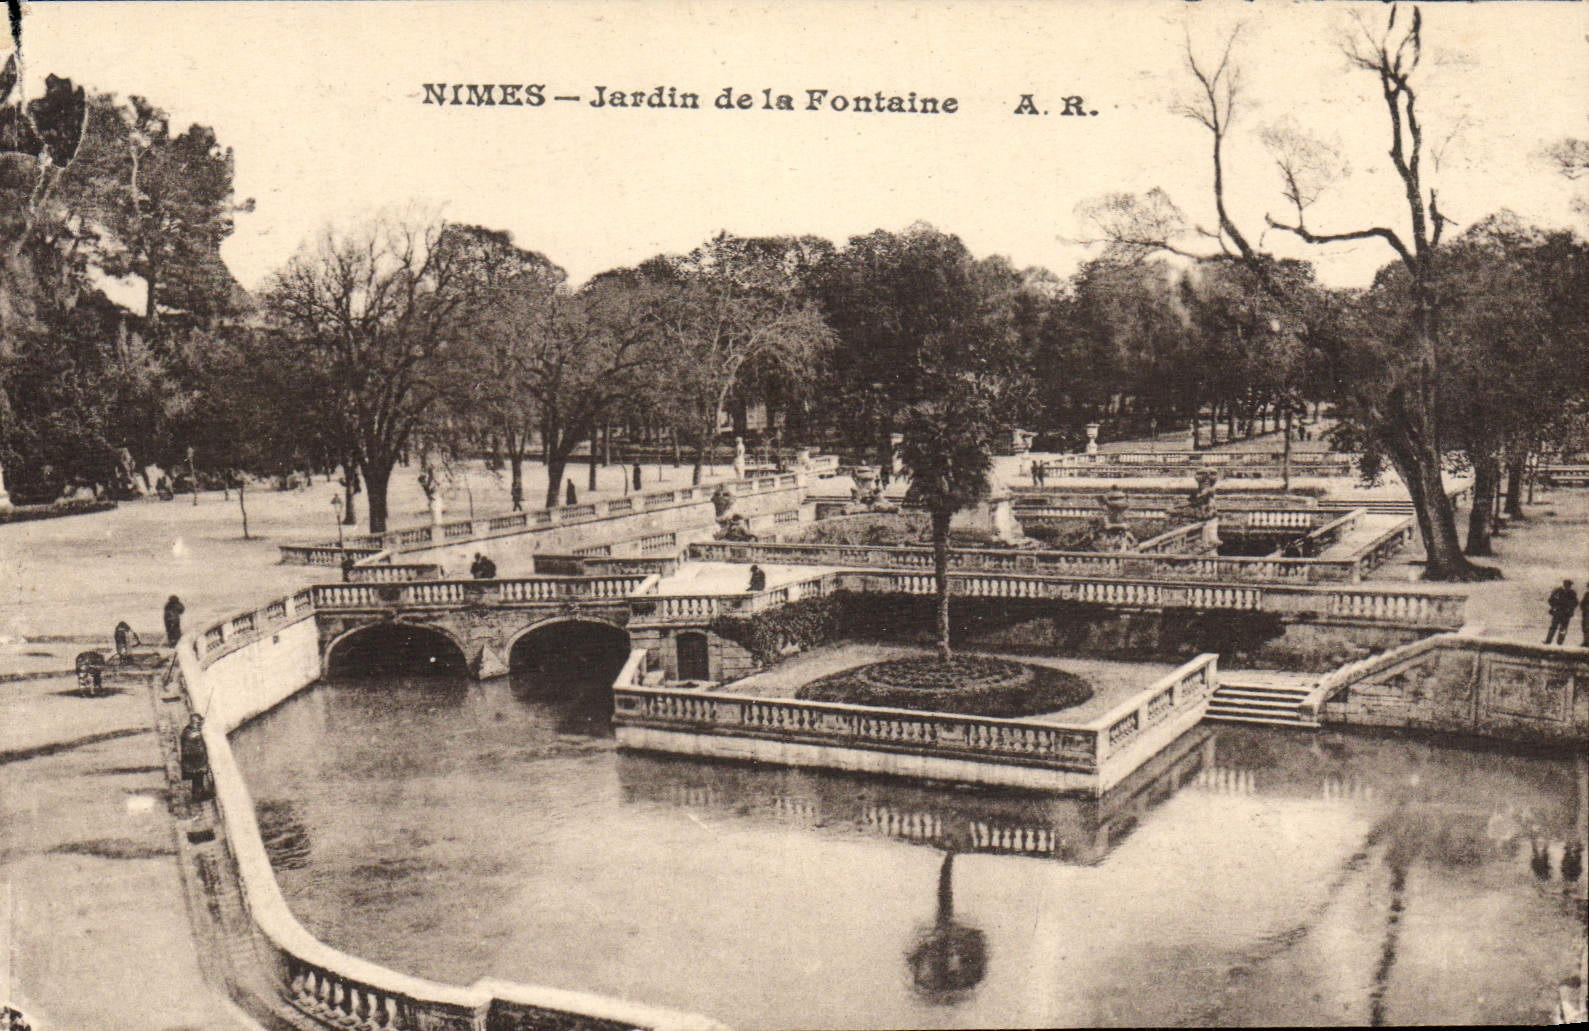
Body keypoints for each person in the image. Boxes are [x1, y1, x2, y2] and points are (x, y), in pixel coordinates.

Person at [179, 713, 210, 802]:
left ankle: (199, 793)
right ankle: (198, 796)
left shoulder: (187, 731)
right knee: (197, 778)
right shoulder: (193, 735)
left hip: (193, 762)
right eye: (198, 724)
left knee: (197, 779)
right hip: (195, 762)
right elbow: (196, 749)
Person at [1545, 579, 1577, 645]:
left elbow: (1575, 603)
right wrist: (1554, 606)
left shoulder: (1572, 593)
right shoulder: (1557, 591)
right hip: (1557, 612)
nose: (1568, 586)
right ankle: (1548, 641)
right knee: (1553, 627)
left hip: (1566, 614)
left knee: (1563, 629)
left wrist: (1570, 609)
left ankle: (1560, 643)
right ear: (1564, 584)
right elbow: (1551, 600)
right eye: (1567, 584)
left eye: (1569, 585)